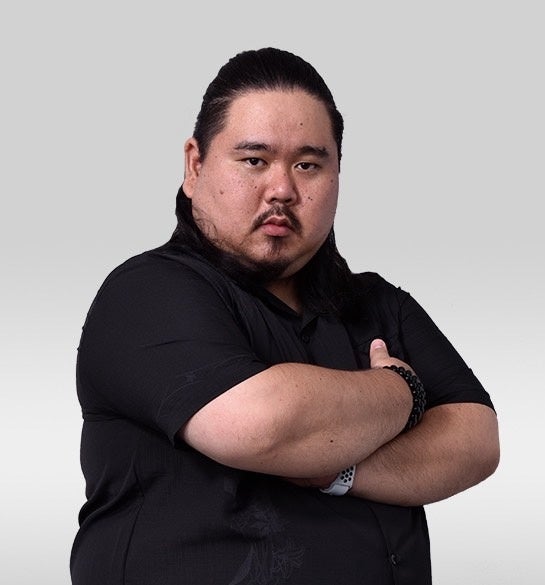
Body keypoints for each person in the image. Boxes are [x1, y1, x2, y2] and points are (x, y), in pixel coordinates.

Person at [70, 47, 500, 585]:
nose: (282, 190)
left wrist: (340, 470)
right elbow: (263, 426)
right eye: (254, 160)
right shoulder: (146, 293)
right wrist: (403, 392)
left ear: (337, 174)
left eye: (307, 165)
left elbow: (476, 439)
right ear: (195, 165)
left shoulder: (379, 303)